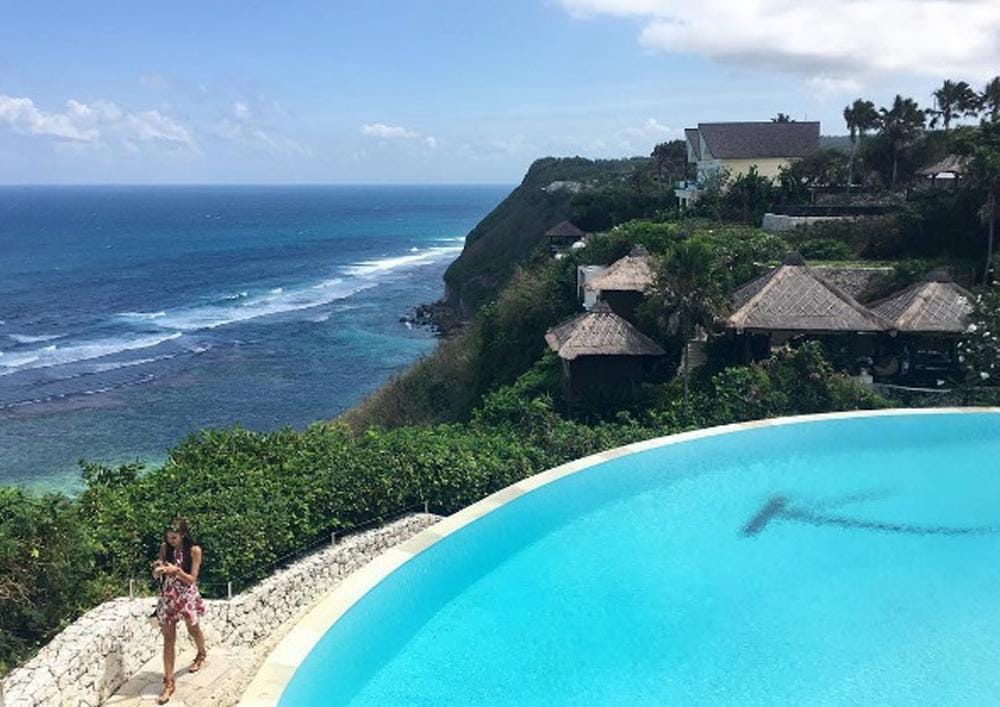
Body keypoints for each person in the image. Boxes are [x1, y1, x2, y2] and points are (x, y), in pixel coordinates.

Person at [152, 518, 207, 704]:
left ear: (183, 534)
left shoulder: (194, 550)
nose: (171, 541)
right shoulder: (165, 548)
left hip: (186, 596)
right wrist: (157, 571)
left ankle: (201, 653)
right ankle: (169, 683)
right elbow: (156, 572)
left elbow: (192, 579)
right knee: (168, 639)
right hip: (169, 596)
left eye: (174, 538)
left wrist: (176, 571)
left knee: (193, 629)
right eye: (168, 538)